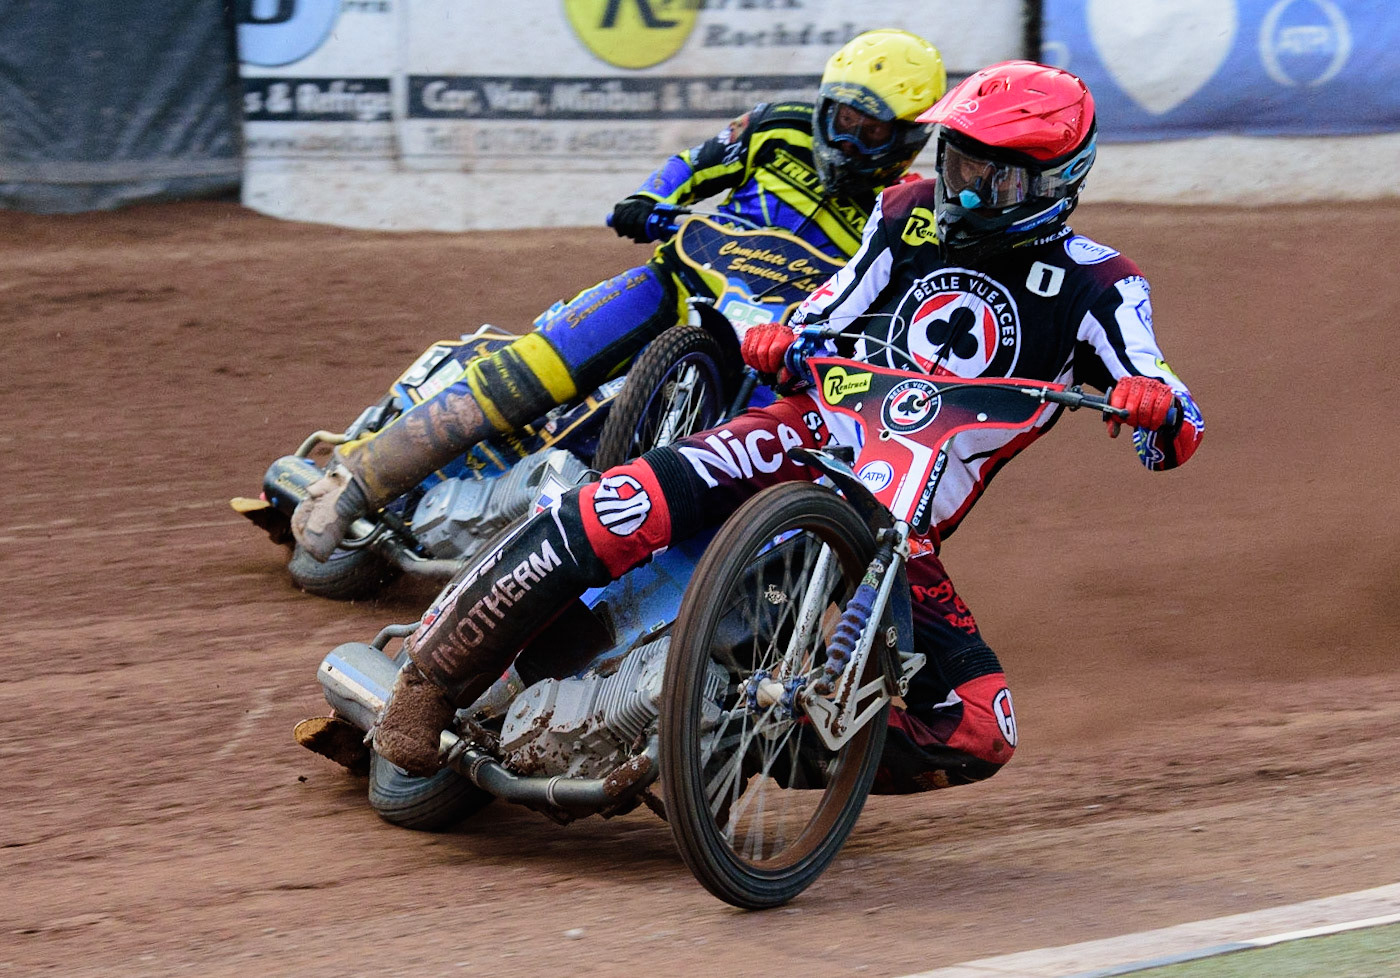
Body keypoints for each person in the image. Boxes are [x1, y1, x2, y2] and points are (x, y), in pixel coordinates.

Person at [371, 61, 1205, 793]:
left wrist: (1153, 409)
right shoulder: (905, 210)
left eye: (998, 176)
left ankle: (750, 748)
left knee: (983, 730)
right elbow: (827, 306)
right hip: (803, 428)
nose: (967, 187)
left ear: (1058, 182)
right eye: (959, 161)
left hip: (901, 526)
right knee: (622, 501)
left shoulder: (1102, 286)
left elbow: (1173, 417)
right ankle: (428, 684)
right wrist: (784, 337)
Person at [290, 29, 948, 562]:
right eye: (841, 118)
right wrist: (651, 200)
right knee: (534, 363)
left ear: (909, 137)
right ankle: (351, 486)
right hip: (675, 283)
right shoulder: (778, 126)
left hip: (772, 344)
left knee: (779, 460)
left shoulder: (903, 210)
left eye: (870, 130)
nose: (847, 138)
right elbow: (693, 164)